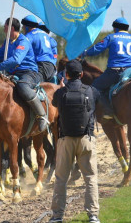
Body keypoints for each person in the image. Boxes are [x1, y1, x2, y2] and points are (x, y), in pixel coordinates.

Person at [49, 59, 100, 223]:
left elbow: (55, 102)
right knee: (90, 178)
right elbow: (95, 102)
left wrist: (62, 87)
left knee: (61, 179)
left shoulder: (60, 93)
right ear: (82, 74)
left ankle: (57, 215)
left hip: (66, 140)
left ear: (66, 74)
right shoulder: (91, 91)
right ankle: (93, 215)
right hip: (86, 138)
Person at [0, 18, 48, 132]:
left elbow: (16, 60)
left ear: (11, 28)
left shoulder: (23, 41)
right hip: (13, 73)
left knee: (23, 87)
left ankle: (42, 116)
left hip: (28, 72)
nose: (3, 29)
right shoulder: (8, 42)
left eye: (5, 26)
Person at [81, 17, 131, 119]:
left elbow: (97, 49)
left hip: (114, 72)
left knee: (95, 87)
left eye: (113, 28)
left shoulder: (111, 37)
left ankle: (108, 111)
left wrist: (85, 52)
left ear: (116, 28)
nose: (113, 30)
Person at [21, 15, 57, 82]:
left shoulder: (30, 36)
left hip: (41, 66)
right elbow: (54, 45)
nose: (22, 28)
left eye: (23, 26)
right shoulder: (48, 37)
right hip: (52, 68)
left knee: (25, 83)